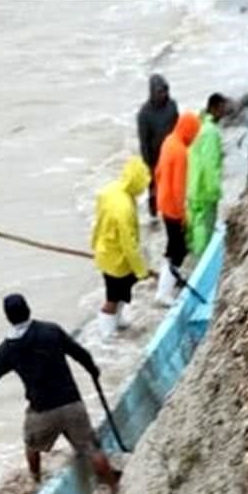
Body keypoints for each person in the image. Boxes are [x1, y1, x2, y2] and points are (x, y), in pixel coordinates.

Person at [0, 294, 119, 494]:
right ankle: (114, 489)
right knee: (92, 449)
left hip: (42, 410)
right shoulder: (51, 331)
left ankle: (36, 481)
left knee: (31, 445)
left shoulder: (8, 349)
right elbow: (79, 352)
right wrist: (92, 369)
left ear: (8, 318)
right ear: (28, 310)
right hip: (72, 403)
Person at [91, 156, 157, 338]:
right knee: (112, 298)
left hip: (105, 250)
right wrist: (141, 270)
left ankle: (117, 322)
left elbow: (99, 221)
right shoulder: (124, 208)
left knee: (120, 293)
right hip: (116, 261)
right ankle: (106, 334)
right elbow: (129, 245)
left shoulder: (111, 190)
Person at [154, 111, 201, 305]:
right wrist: (182, 215)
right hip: (173, 207)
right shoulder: (181, 152)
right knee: (179, 251)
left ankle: (167, 282)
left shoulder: (168, 141)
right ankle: (164, 292)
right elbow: (178, 188)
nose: (193, 138)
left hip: (163, 202)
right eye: (193, 134)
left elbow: (158, 172)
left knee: (173, 246)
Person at [187, 93, 228, 257]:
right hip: (205, 189)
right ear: (214, 108)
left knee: (195, 224)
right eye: (222, 109)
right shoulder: (211, 132)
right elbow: (210, 164)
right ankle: (202, 260)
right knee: (203, 228)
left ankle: (194, 259)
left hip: (193, 184)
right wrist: (215, 190)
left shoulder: (199, 126)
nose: (224, 113)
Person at [137, 74, 178, 221]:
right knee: (154, 191)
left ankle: (170, 214)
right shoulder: (144, 114)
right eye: (160, 92)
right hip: (154, 158)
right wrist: (148, 164)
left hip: (172, 155)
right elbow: (143, 141)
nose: (164, 95)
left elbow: (177, 128)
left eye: (165, 91)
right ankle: (153, 218)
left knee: (172, 188)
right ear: (152, 92)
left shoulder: (172, 106)